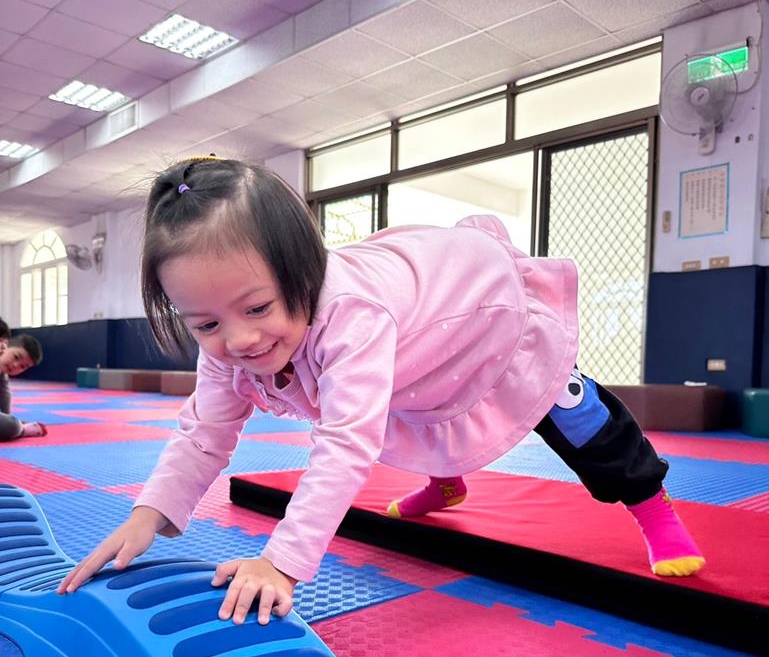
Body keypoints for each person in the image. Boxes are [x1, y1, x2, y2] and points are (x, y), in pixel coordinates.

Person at [57, 157, 704, 622]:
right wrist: (147, 514)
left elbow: (344, 446)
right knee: (409, 406)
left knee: (567, 409)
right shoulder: (227, 345)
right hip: (415, 353)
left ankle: (653, 507)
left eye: (257, 308)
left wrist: (281, 562)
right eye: (206, 324)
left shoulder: (351, 318)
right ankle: (447, 483)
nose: (240, 339)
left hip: (478, 309)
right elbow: (204, 433)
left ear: (303, 272)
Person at [0, 324, 46, 440]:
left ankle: (19, 427)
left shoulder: (3, 376)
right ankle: (22, 430)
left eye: (22, 366)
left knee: (11, 422)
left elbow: (5, 397)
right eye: (16, 357)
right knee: (13, 425)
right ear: (4, 345)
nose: (15, 365)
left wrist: (7, 417)